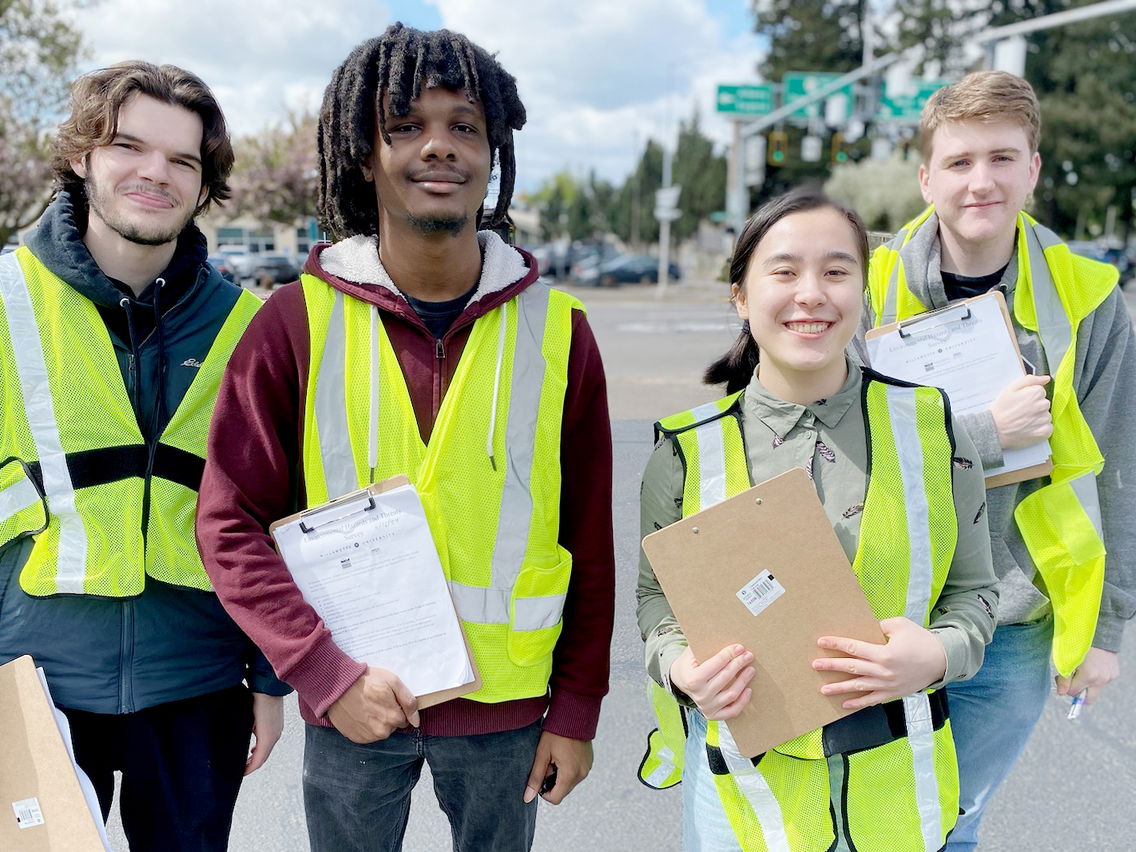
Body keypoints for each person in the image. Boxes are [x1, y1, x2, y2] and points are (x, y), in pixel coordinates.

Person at [195, 23, 615, 852]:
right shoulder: (295, 322)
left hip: (506, 716)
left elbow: (589, 541)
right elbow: (228, 521)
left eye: (465, 127)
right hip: (355, 703)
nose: (440, 148)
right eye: (406, 128)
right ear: (363, 154)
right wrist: (321, 671)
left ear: (493, 155)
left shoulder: (562, 331)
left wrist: (576, 709)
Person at [637, 190, 998, 851]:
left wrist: (938, 653)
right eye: (783, 271)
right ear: (741, 296)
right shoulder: (684, 451)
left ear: (862, 290)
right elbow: (653, 598)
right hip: (743, 802)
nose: (811, 295)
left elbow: (975, 592)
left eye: (836, 271)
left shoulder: (931, 426)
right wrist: (678, 665)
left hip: (897, 792)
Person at [0, 62, 288, 850]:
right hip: (34, 686)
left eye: (183, 160)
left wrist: (269, 681)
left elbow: (271, 515)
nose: (155, 172)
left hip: (198, 689)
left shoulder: (249, 327)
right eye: (128, 145)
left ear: (204, 187)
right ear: (83, 157)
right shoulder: (5, 302)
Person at [861, 70, 1136, 850]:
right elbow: (829, 443)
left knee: (952, 822)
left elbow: (1120, 467)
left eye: (1002, 158)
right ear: (926, 177)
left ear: (1033, 169)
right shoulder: (867, 285)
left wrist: (1105, 631)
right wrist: (984, 429)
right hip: (885, 601)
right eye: (958, 162)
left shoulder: (1090, 299)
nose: (980, 181)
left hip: (1015, 617)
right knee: (868, 819)